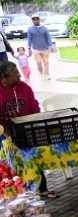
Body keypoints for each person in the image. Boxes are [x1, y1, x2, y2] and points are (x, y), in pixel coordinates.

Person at [0, 61, 53, 198]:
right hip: (7, 134)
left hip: (28, 130)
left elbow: (35, 107)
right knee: (15, 163)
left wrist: (35, 124)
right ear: (4, 77)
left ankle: (42, 189)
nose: (19, 75)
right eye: (15, 73)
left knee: (34, 157)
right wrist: (8, 131)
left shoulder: (24, 87)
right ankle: (20, 192)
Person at [26, 16, 52, 80]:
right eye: (34, 20)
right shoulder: (30, 29)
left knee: (46, 62)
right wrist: (29, 48)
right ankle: (41, 73)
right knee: (39, 62)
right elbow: (29, 39)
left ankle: (47, 75)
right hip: (36, 49)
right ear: (32, 21)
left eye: (37, 19)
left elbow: (48, 37)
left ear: (39, 20)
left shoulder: (44, 28)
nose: (35, 21)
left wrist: (50, 46)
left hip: (45, 48)